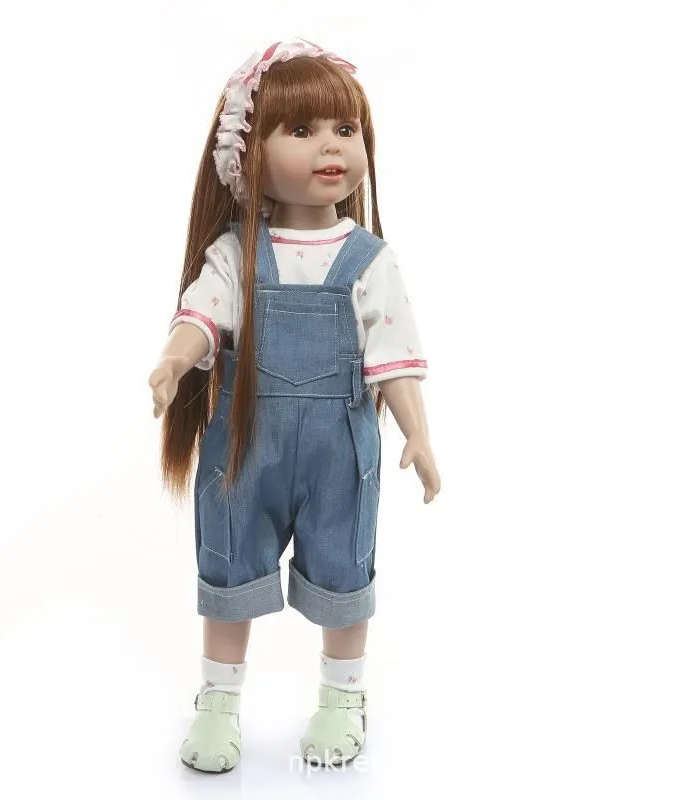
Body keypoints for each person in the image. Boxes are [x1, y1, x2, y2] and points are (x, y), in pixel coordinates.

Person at [148, 38, 441, 773]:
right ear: (246, 155)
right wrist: (176, 359)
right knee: (229, 568)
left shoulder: (369, 260)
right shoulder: (237, 254)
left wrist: (418, 434)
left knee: (345, 570)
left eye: (345, 128)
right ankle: (218, 703)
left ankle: (342, 698)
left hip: (340, 452)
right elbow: (202, 315)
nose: (331, 147)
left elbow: (394, 355)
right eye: (302, 129)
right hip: (245, 445)